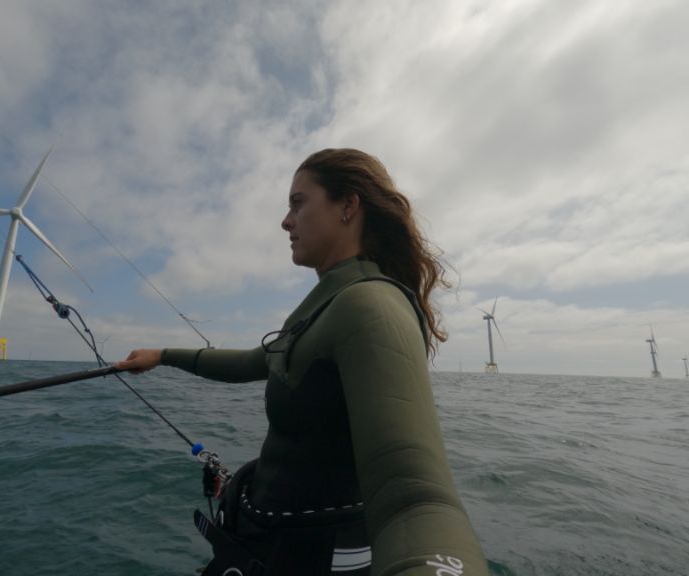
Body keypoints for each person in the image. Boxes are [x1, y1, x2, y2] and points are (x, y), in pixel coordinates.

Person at [118, 148, 488, 576]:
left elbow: (415, 498)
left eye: (298, 202)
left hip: (312, 555)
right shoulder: (325, 308)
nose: (285, 220)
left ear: (348, 205)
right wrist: (161, 356)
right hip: (268, 546)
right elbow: (250, 363)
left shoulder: (371, 306)